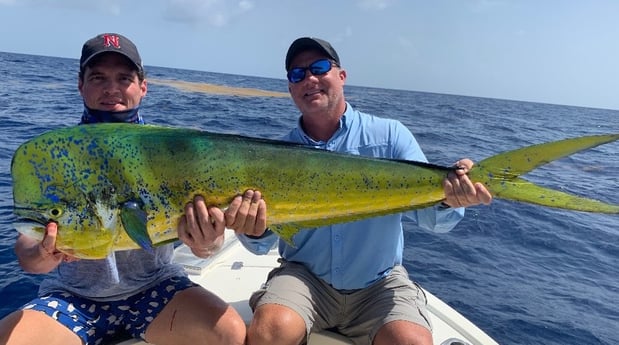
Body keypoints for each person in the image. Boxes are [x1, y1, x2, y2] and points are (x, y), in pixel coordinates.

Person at [232, 37, 494, 345]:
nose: (309, 79)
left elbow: (435, 221)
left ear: (341, 76)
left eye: (319, 68)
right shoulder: (275, 156)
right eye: (297, 74)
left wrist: (450, 199)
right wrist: (251, 229)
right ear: (290, 88)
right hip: (304, 278)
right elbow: (260, 246)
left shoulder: (390, 136)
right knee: (269, 332)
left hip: (379, 284)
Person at [0, 33, 247, 345]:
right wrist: (43, 255)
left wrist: (207, 243)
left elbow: (205, 248)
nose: (111, 89)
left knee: (229, 334)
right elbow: (26, 253)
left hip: (156, 288)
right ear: (81, 85)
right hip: (73, 298)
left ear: (143, 87)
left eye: (124, 78)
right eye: (98, 77)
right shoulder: (54, 156)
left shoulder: (171, 153)